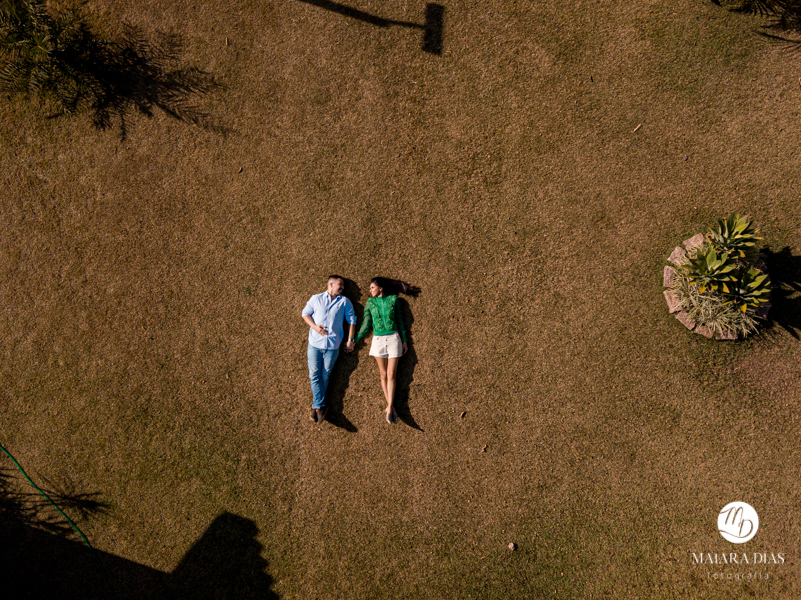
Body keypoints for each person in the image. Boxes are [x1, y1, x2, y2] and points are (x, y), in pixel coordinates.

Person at [355, 277, 420, 424]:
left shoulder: (393, 300)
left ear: (380, 288)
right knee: (383, 374)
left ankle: (390, 407)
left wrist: (404, 340)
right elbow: (366, 323)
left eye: (372, 287)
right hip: (377, 340)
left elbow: (400, 320)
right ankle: (391, 407)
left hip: (393, 339)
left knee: (391, 374)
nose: (370, 290)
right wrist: (356, 338)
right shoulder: (370, 303)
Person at [301, 275, 357, 424]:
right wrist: (314, 327)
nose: (343, 288)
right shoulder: (316, 298)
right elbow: (305, 313)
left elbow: (352, 320)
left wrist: (351, 340)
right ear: (330, 284)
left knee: (325, 376)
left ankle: (316, 406)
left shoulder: (344, 302)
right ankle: (319, 406)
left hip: (332, 346)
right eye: (340, 284)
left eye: (343, 285)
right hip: (314, 344)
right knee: (314, 375)